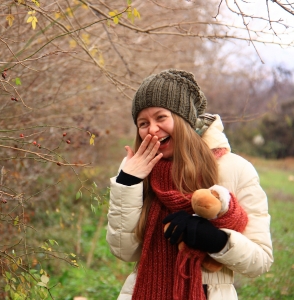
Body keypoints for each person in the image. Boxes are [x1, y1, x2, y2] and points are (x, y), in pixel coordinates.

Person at [106, 69, 273, 300]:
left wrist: (216, 240)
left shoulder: (234, 169)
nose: (152, 129)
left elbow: (261, 260)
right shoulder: (135, 171)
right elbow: (124, 251)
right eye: (143, 122)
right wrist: (128, 182)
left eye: (161, 117)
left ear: (184, 119)